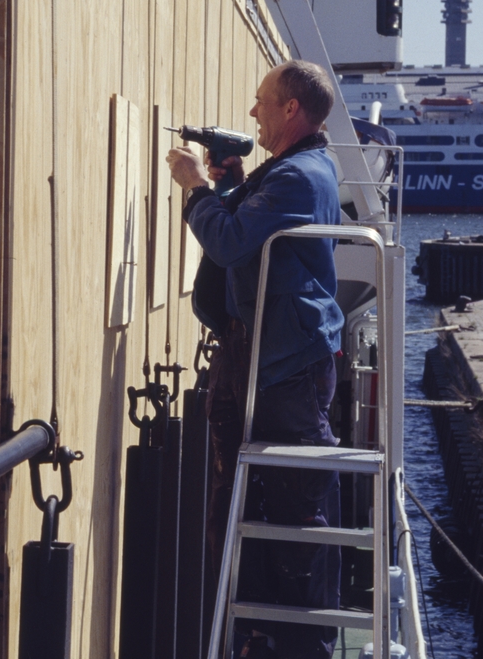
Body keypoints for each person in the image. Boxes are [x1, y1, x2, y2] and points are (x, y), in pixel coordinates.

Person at [166, 60, 345, 659]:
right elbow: (249, 224)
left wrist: (197, 188)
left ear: (291, 109)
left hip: (283, 367)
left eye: (262, 101)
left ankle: (302, 642)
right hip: (269, 358)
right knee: (255, 498)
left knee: (295, 502)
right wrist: (232, 185)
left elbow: (231, 241)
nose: (252, 112)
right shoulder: (298, 169)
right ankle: (264, 635)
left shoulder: (298, 177)